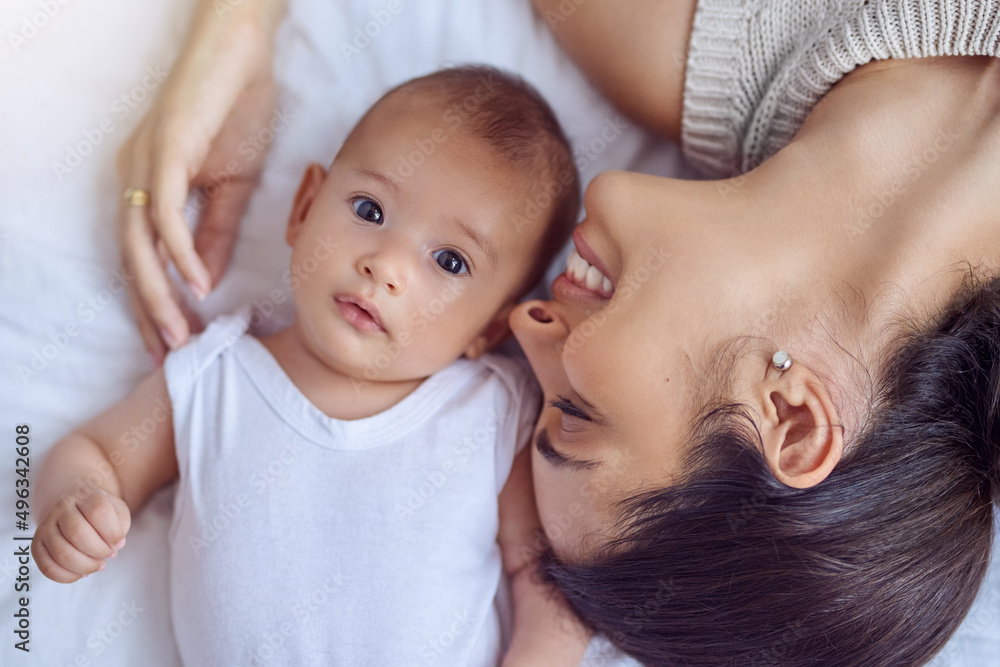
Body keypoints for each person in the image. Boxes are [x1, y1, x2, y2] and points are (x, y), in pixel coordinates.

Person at [115, 0, 1000, 665]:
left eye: (560, 412)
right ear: (792, 415)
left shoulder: (662, 44)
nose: (528, 325)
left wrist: (234, 33)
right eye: (576, 412)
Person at [33, 66, 589, 666]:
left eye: (450, 261)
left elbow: (543, 581)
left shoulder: (490, 414)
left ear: (490, 328)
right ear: (303, 209)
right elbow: (98, 452)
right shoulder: (215, 378)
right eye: (371, 210)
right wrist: (77, 502)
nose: (386, 264)